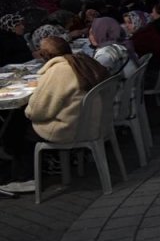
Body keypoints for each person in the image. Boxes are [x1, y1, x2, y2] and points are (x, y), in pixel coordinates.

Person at [0, 36, 109, 194]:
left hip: (70, 127)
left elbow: (38, 111)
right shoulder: (81, 62)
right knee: (17, 122)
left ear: (44, 55)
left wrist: (28, 109)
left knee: (17, 127)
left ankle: (24, 178)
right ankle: (25, 170)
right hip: (90, 121)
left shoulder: (58, 71)